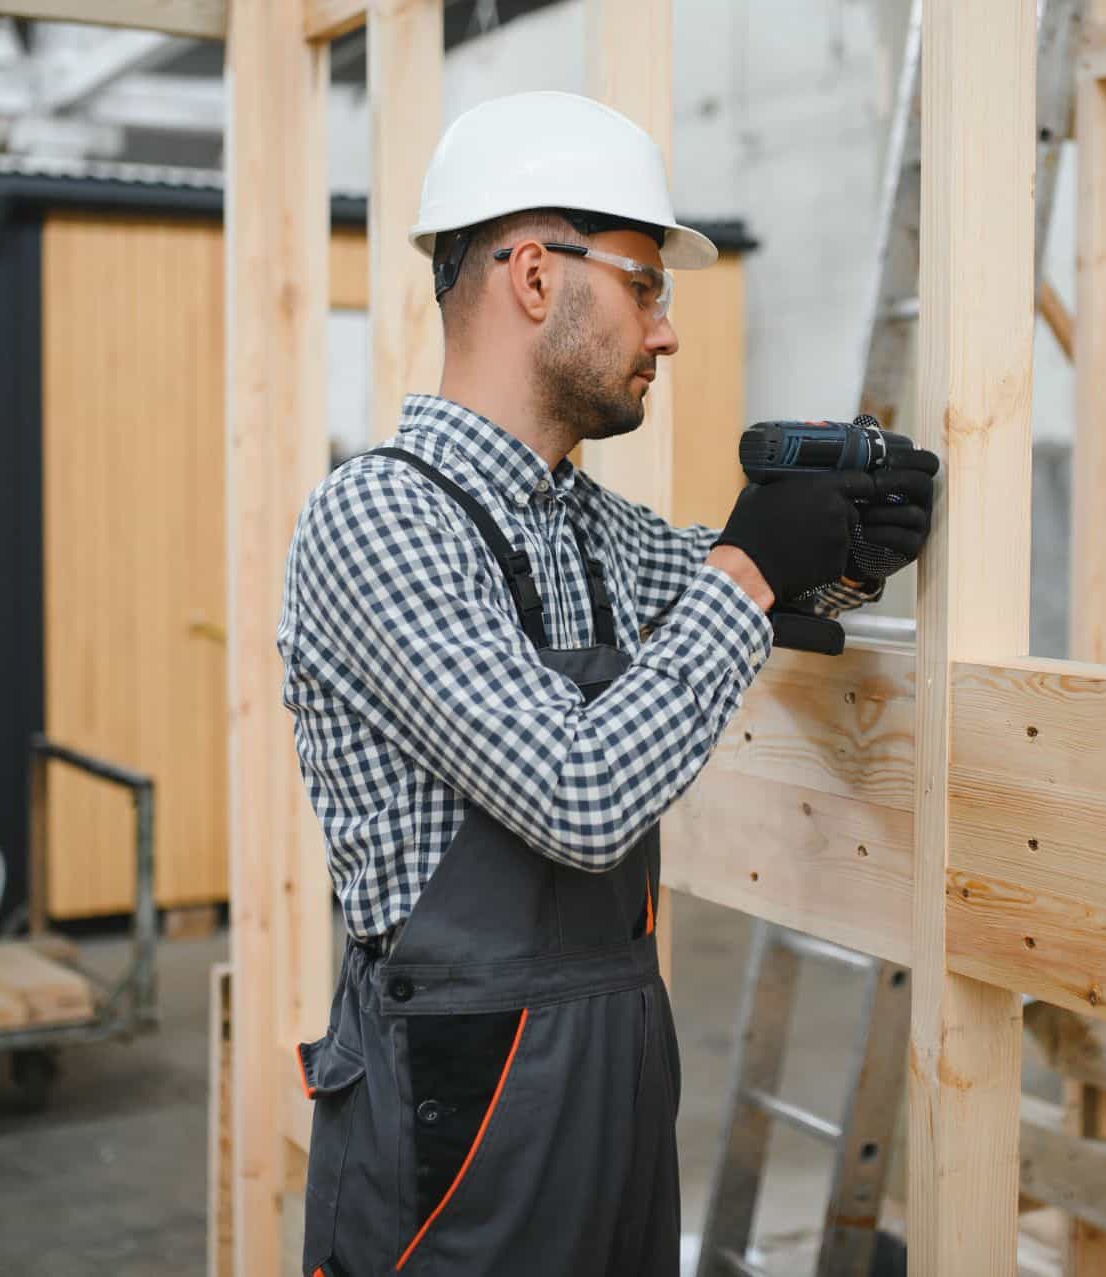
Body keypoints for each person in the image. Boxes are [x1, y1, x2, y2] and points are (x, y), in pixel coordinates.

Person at [278, 90, 938, 1277]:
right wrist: (748, 563)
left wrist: (847, 554)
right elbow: (582, 794)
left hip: (615, 1065)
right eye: (645, 284)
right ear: (534, 276)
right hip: (461, 1103)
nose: (666, 330)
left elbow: (753, 604)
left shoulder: (590, 527)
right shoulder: (381, 517)